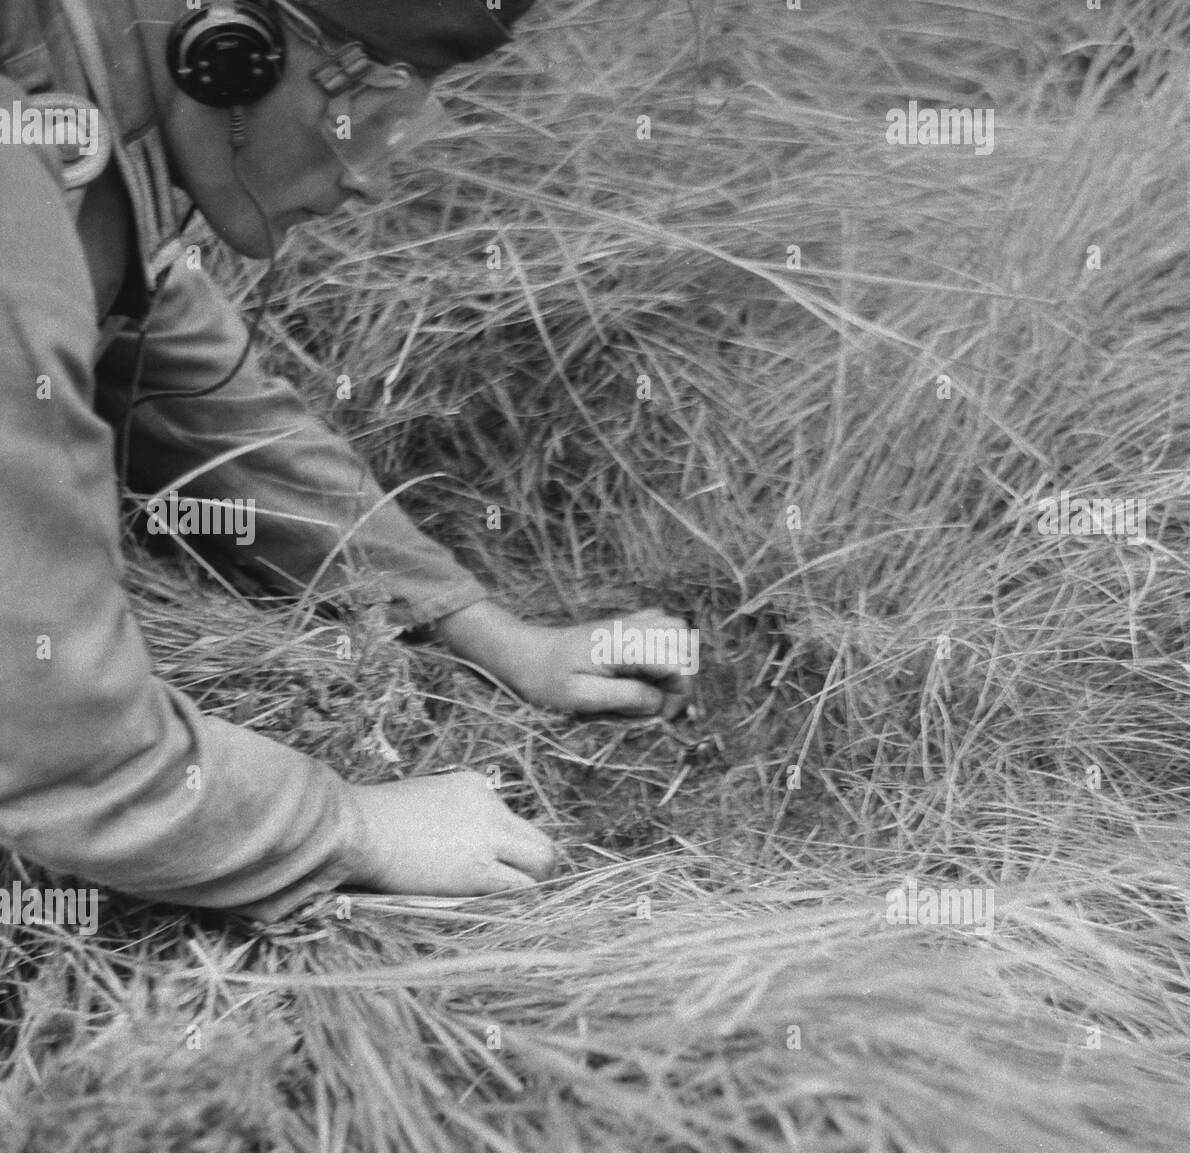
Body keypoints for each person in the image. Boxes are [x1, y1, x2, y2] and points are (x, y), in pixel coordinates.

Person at [0, 0, 696, 920]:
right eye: (368, 102)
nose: (369, 177)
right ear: (231, 52)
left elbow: (182, 377)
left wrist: (491, 634)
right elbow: (64, 753)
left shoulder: (76, 69)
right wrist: (348, 828)